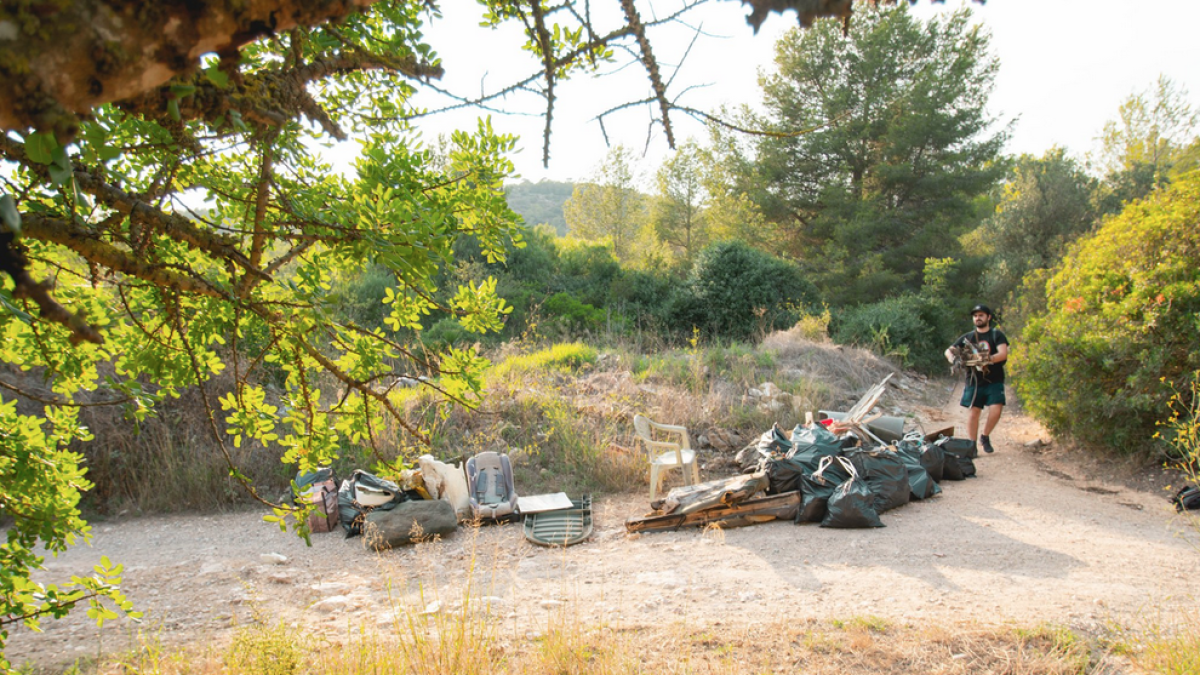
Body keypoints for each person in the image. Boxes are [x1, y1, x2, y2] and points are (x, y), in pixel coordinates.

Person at [944, 304, 1009, 454]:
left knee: (996, 409)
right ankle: (972, 446)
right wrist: (954, 360)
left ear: (988, 317)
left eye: (981, 315)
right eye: (975, 316)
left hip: (994, 380)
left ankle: (985, 436)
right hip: (974, 381)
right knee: (974, 412)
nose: (978, 318)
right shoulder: (968, 337)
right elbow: (948, 351)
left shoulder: (996, 335)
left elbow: (1003, 353)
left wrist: (985, 359)